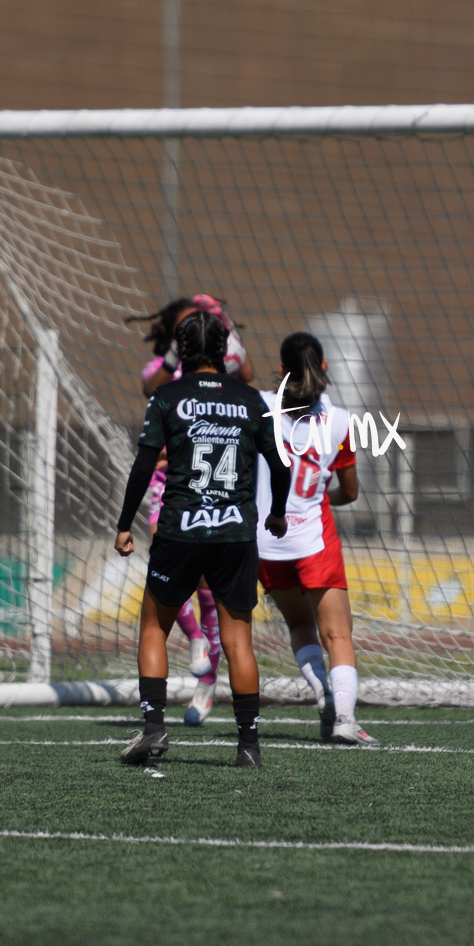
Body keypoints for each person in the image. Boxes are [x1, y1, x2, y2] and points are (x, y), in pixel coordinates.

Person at [114, 309, 290, 768]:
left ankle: (154, 730)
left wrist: (123, 524)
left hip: (180, 530)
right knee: (238, 641)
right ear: (225, 351)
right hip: (234, 532)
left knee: (154, 626)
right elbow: (280, 465)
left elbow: (142, 466)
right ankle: (249, 746)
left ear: (183, 351)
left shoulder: (166, 395)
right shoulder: (251, 399)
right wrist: (275, 514)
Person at [126, 295, 253, 724]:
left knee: (208, 589)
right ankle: (195, 637)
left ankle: (206, 685)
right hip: (169, 484)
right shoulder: (163, 377)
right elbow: (151, 386)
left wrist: (228, 326)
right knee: (166, 563)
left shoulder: (225, 374)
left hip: (212, 487)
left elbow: (248, 373)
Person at [258, 333, 376, 746]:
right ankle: (344, 717)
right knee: (338, 636)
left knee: (300, 626)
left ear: (280, 369)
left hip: (267, 540)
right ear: (324, 367)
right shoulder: (341, 421)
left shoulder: (260, 406)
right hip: (314, 537)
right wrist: (318, 494)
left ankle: (322, 692)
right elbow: (350, 491)